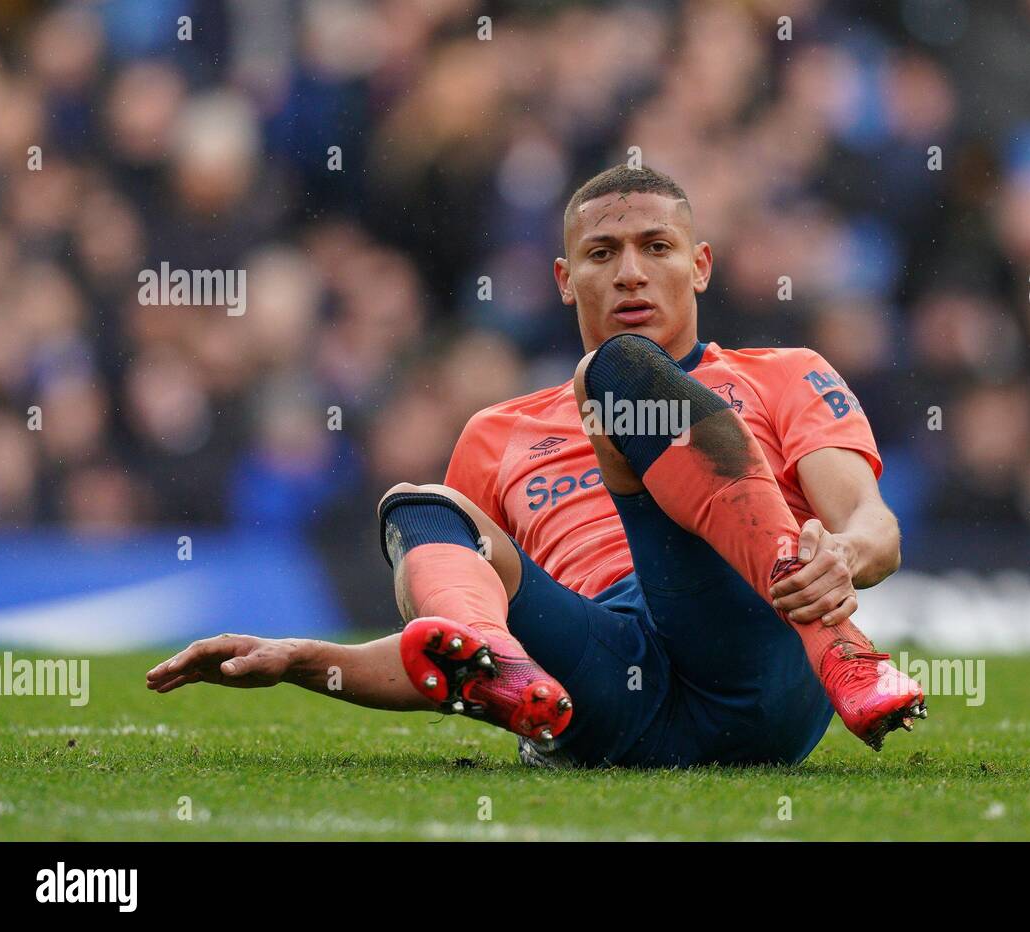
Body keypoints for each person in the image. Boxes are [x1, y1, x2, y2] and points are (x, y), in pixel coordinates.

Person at [147, 165, 926, 767]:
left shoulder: (783, 373)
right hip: (605, 698)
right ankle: (512, 678)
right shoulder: (496, 433)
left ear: (701, 266)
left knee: (619, 375)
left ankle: (845, 653)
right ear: (564, 279)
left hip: (758, 654)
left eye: (655, 248)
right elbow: (440, 646)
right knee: (419, 509)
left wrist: (843, 558)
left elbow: (873, 526)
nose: (629, 273)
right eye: (602, 253)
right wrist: (307, 661)